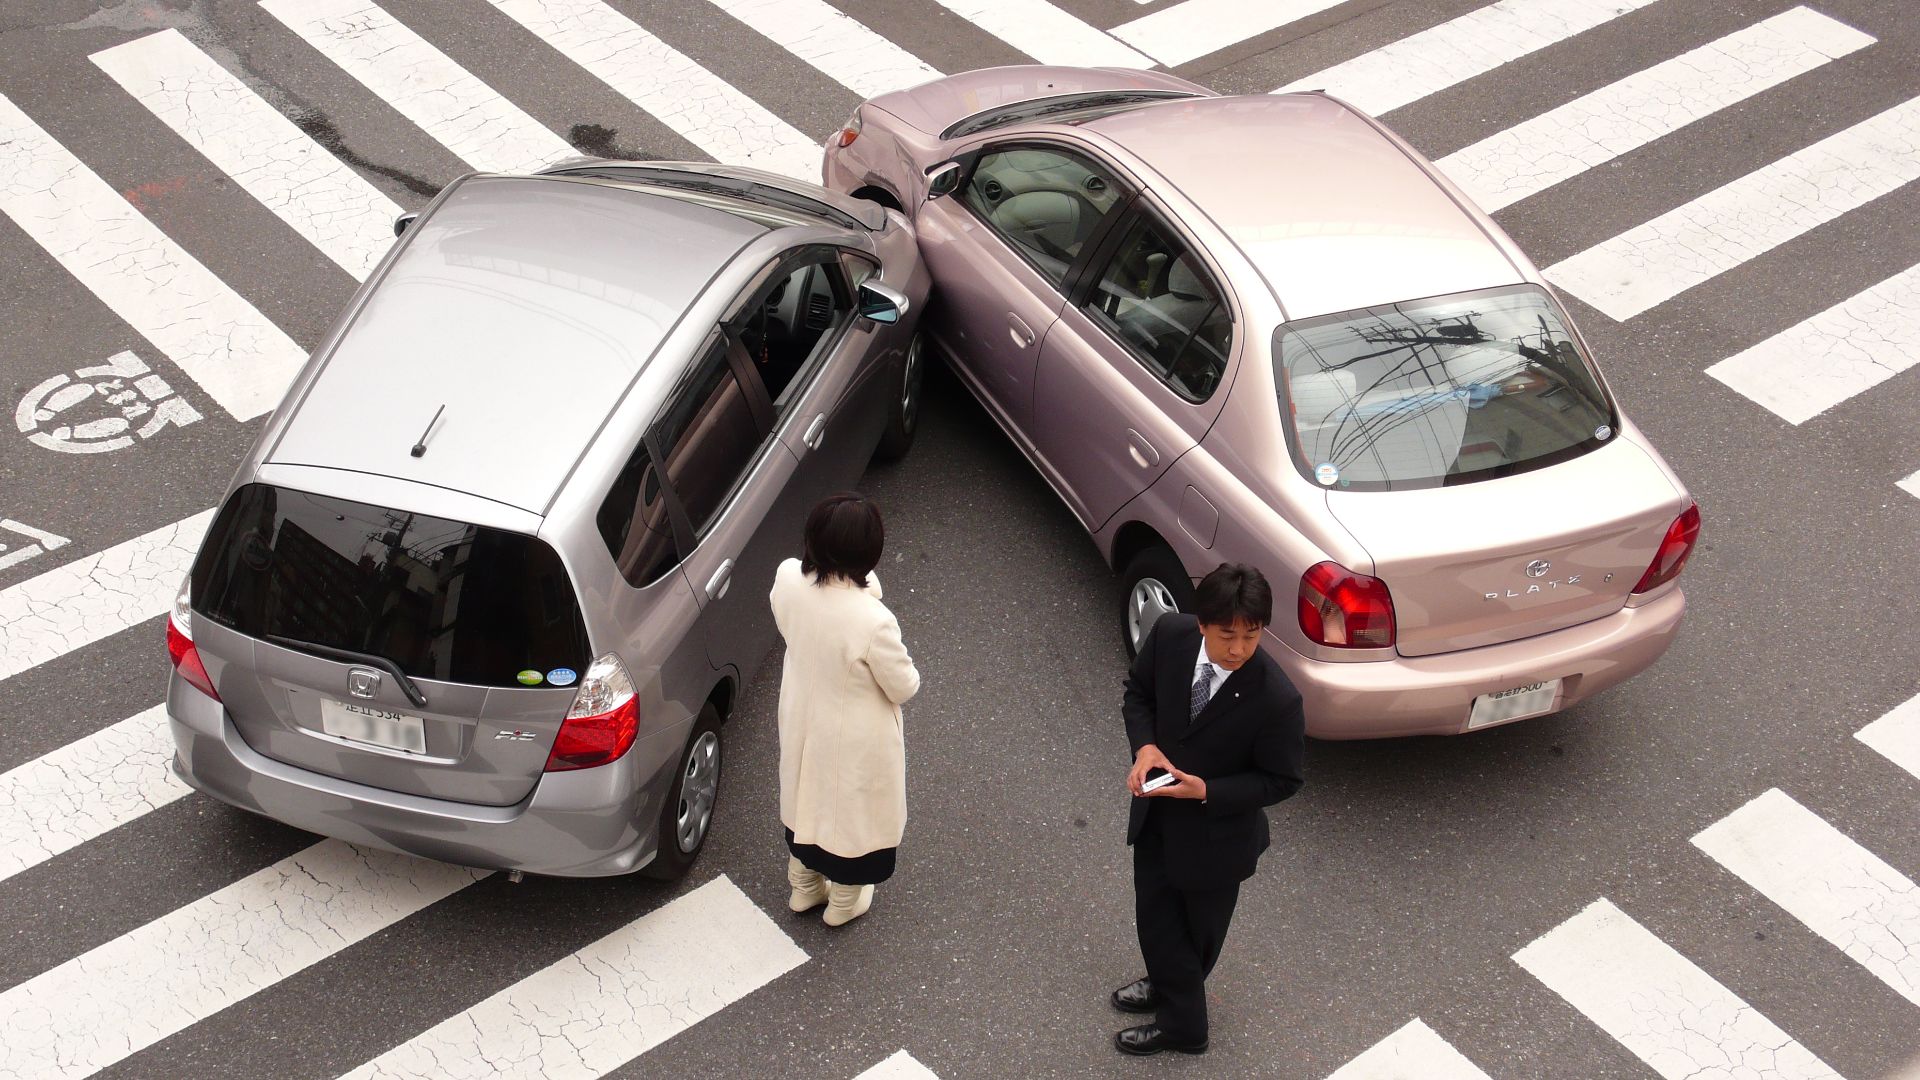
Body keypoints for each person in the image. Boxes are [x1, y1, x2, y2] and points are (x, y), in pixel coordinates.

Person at [1112, 563, 1306, 1056]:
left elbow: (1283, 779)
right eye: (1226, 635)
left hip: (1218, 839)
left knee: (1197, 934)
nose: (1238, 649)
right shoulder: (1170, 636)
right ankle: (1170, 991)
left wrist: (1207, 791)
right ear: (1201, 623)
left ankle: (1184, 1027)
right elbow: (1138, 694)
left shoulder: (1277, 699)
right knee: (1155, 916)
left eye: (1251, 635)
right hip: (1157, 814)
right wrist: (1146, 747)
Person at [769, 493, 920, 927]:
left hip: (802, 713)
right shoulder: (873, 620)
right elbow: (904, 685)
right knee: (851, 817)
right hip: (854, 735)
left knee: (803, 800)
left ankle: (804, 889)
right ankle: (843, 903)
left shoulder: (786, 579)